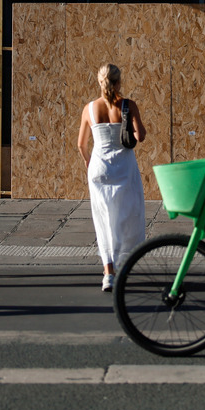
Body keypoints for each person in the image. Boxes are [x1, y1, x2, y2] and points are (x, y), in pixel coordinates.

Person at [77, 63, 146, 292]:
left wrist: (88, 161)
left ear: (99, 81)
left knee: (103, 219)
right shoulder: (129, 105)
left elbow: (81, 144)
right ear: (119, 82)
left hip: (99, 166)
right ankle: (122, 264)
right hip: (124, 166)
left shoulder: (89, 109)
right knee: (126, 215)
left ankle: (108, 273)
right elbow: (141, 136)